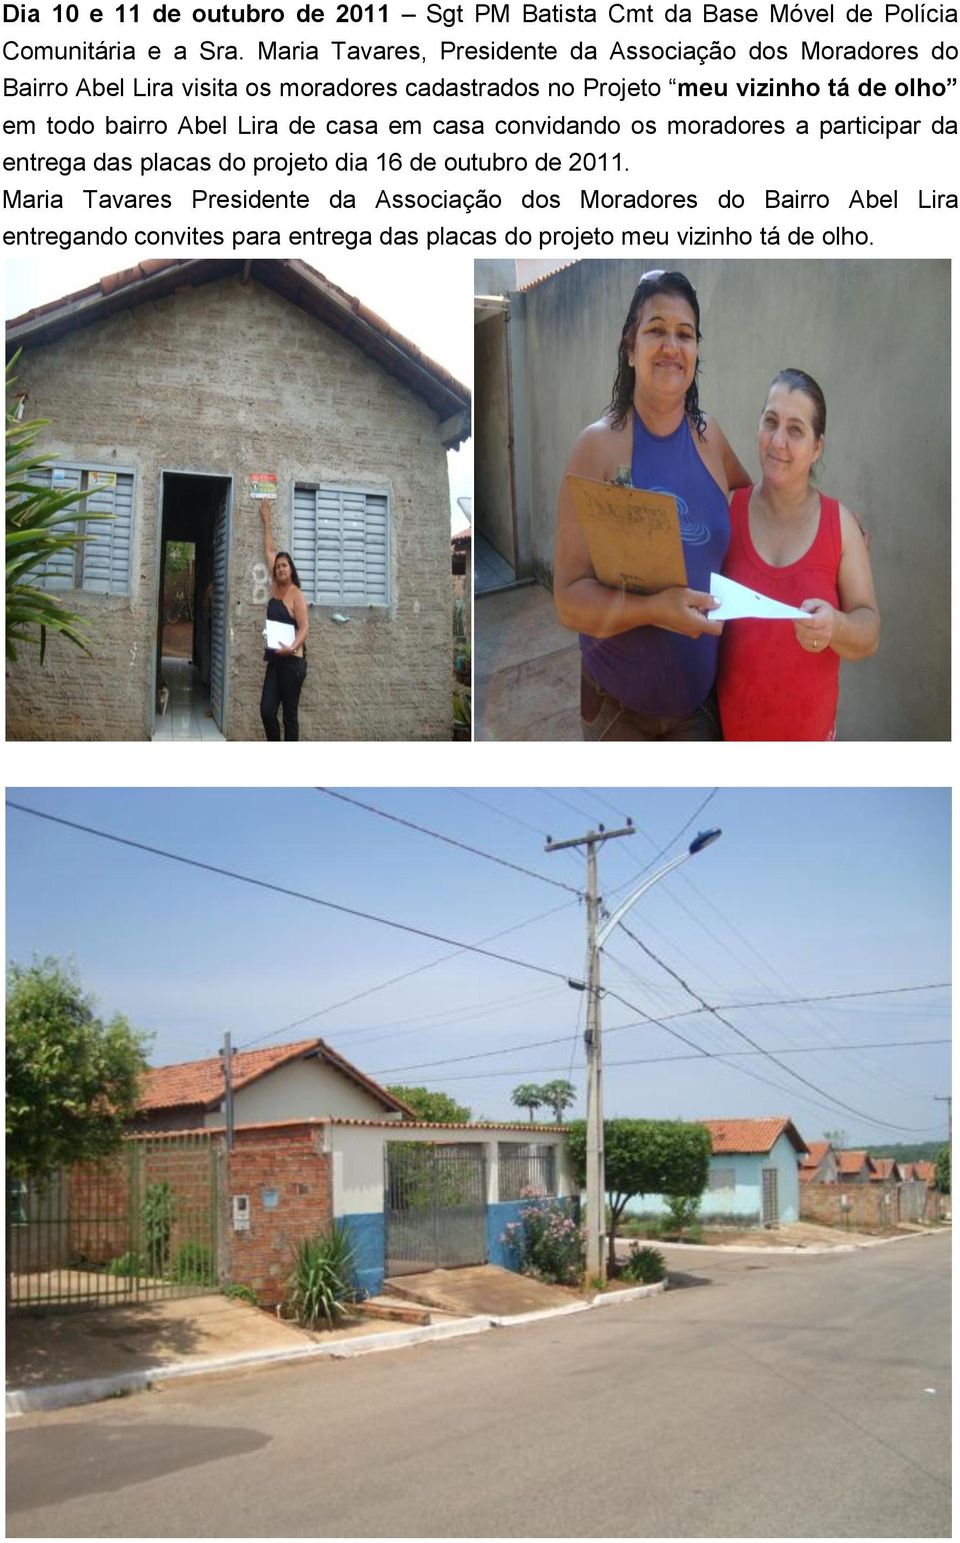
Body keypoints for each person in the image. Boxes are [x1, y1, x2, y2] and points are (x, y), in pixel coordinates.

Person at [553, 270, 750, 741]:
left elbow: (756, 505)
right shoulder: (597, 448)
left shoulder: (710, 438)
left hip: (700, 706)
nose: (671, 345)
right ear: (629, 347)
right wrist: (653, 609)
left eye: (685, 334)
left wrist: (830, 524)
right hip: (619, 712)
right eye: (656, 330)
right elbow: (568, 601)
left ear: (696, 352)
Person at [717, 369, 879, 741]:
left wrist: (836, 625)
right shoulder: (727, 511)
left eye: (795, 429)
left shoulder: (840, 527)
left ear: (817, 446)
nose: (778, 441)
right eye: (770, 421)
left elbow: (869, 631)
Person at [259, 501, 309, 741]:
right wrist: (266, 519)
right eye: (278, 566)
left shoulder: (296, 594)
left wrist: (293, 647)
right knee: (267, 711)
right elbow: (270, 551)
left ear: (291, 569)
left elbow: (305, 627)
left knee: (290, 716)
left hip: (292, 663)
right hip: (275, 661)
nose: (280, 568)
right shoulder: (275, 588)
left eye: (284, 565)